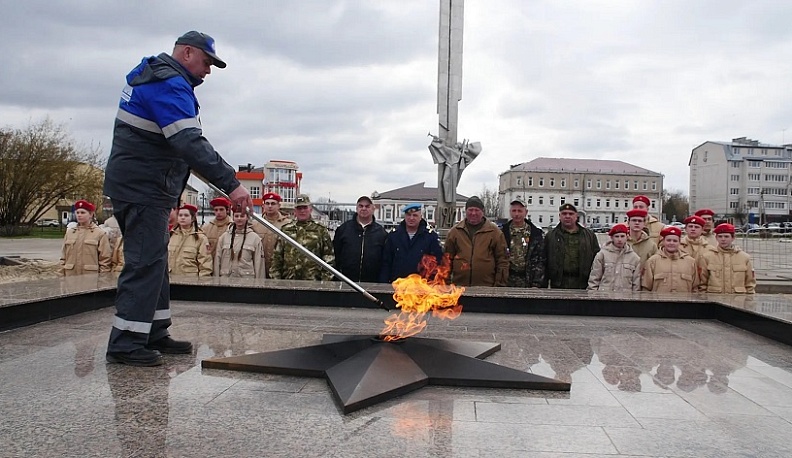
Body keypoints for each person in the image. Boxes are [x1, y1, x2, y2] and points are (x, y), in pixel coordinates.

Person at [103, 31, 253, 366]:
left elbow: (171, 148)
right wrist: (232, 185)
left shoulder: (163, 80)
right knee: (144, 264)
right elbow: (188, 143)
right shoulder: (168, 83)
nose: (208, 71)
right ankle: (126, 342)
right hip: (142, 189)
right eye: (206, 62)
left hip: (149, 189)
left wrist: (171, 201)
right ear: (187, 52)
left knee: (154, 263)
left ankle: (153, 331)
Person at [445, 196, 509, 286]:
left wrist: (499, 286)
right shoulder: (455, 232)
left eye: (477, 210)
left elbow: (502, 261)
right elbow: (446, 260)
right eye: (470, 210)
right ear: (466, 211)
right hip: (459, 288)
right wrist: (446, 285)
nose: (473, 213)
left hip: (486, 288)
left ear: (482, 212)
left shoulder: (495, 232)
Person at [270, 194, 334, 281]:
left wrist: (325, 282)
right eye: (299, 208)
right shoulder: (286, 229)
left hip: (313, 282)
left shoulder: (320, 230)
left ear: (310, 209)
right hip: (288, 282)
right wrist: (276, 281)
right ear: (295, 211)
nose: (302, 211)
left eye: (305, 207)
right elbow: (277, 258)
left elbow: (329, 258)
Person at [379, 203, 444, 283]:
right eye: (408, 215)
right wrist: (383, 284)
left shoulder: (430, 237)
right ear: (405, 216)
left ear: (420, 217)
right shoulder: (394, 236)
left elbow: (437, 262)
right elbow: (386, 263)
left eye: (415, 215)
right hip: (398, 285)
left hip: (421, 286)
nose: (411, 218)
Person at [541, 203, 600, 289]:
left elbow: (597, 260)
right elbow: (544, 260)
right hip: (558, 284)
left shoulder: (589, 235)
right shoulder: (551, 236)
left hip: (582, 283)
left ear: (576, 216)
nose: (567, 216)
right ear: (559, 216)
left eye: (571, 214)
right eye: (564, 214)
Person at [333, 195, 387, 283]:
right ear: (356, 208)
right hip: (346, 282)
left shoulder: (381, 233)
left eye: (367, 206)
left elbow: (385, 260)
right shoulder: (343, 229)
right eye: (361, 206)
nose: (364, 208)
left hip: (371, 284)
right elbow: (335, 254)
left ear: (373, 209)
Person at [697, 223, 756, 294]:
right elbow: (703, 283)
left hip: (738, 299)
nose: (723, 239)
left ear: (733, 238)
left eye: (726, 236)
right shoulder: (707, 257)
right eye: (720, 236)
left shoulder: (744, 257)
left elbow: (750, 283)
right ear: (716, 238)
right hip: (715, 298)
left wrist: (749, 300)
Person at [59, 199, 112, 276]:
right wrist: (61, 278)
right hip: (71, 277)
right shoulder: (70, 233)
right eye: (77, 212)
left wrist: (102, 281)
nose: (79, 215)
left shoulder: (99, 233)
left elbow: (105, 260)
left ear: (90, 214)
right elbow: (63, 258)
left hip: (90, 278)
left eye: (83, 212)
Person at [500, 198, 544, 287]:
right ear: (510, 212)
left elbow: (540, 259)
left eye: (520, 211)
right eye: (514, 211)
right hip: (507, 279)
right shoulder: (502, 232)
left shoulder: (535, 233)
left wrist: (536, 283)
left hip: (528, 280)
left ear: (526, 212)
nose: (516, 214)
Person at [641, 226, 699, 292]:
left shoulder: (690, 262)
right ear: (663, 241)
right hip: (659, 301)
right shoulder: (652, 261)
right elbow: (646, 289)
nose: (671, 243)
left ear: (679, 242)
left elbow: (695, 289)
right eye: (668, 240)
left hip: (683, 301)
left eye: (675, 241)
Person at [587, 223, 641, 291]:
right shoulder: (602, 255)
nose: (619, 239)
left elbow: (636, 284)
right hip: (604, 297)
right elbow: (594, 279)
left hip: (625, 298)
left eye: (622, 236)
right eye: (617, 236)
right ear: (612, 237)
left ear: (627, 237)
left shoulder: (634, 258)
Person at [215, 207, 265, 278]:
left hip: (246, 282)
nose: (239, 219)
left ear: (247, 218)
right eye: (236, 216)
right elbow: (217, 261)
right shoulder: (224, 237)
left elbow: (259, 264)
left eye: (242, 216)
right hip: (226, 281)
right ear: (233, 217)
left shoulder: (255, 238)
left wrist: (259, 285)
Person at [250, 192, 291, 278]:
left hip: (280, 269)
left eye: (273, 203)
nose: (270, 206)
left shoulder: (287, 224)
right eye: (267, 203)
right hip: (260, 267)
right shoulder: (255, 224)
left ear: (279, 206)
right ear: (263, 206)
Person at [168, 203, 213, 277]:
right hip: (171, 279)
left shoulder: (200, 238)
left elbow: (205, 264)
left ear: (193, 218)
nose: (182, 218)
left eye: (186, 215)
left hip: (190, 281)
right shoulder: (171, 235)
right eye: (180, 215)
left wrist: (203, 283)